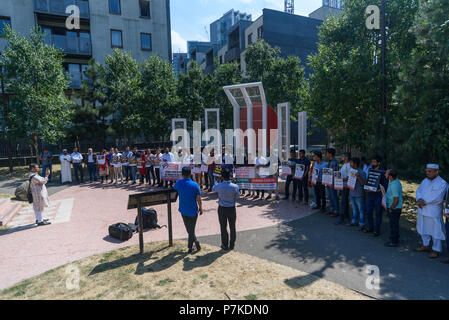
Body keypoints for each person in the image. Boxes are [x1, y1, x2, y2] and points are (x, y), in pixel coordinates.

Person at [414, 164, 448, 259]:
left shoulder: (442, 183)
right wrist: (419, 199)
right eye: (427, 171)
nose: (427, 173)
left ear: (436, 172)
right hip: (422, 209)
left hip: (433, 211)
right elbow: (418, 191)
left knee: (436, 231)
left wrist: (423, 201)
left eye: (430, 171)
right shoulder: (425, 181)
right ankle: (425, 245)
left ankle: (436, 249)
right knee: (422, 227)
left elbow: (438, 198)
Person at [174, 166, 203, 254]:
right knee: (191, 230)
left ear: (182, 174)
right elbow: (199, 198)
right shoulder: (195, 185)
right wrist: (201, 208)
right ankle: (195, 243)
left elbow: (175, 189)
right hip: (193, 210)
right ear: (191, 174)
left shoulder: (178, 183)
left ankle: (191, 246)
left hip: (183, 209)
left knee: (189, 229)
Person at [213, 168, 240, 251]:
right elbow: (237, 196)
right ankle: (232, 244)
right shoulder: (235, 186)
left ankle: (224, 244)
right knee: (232, 227)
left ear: (222, 176)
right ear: (230, 175)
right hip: (231, 208)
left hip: (222, 208)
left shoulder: (219, 186)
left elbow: (213, 188)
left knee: (223, 227)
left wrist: (218, 181)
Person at [363, 155, 388, 237]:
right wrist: (367, 188)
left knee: (378, 213)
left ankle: (376, 230)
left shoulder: (383, 172)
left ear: (379, 163)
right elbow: (368, 181)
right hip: (370, 194)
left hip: (378, 195)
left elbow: (385, 186)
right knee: (368, 212)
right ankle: (370, 227)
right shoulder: (370, 170)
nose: (372, 163)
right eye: (372, 161)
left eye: (374, 162)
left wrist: (377, 190)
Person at [384, 169, 403, 247]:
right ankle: (395, 239)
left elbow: (396, 200)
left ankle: (393, 241)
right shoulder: (392, 181)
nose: (385, 174)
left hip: (394, 208)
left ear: (390, 176)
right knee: (393, 224)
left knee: (393, 225)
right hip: (392, 207)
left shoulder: (394, 185)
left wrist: (391, 208)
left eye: (386, 174)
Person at [347, 157, 367, 229]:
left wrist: (359, 177)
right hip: (352, 193)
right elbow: (349, 179)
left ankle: (362, 223)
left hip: (359, 194)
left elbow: (364, 184)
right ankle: (354, 221)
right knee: (354, 208)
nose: (350, 164)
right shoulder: (351, 171)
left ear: (355, 164)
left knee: (361, 209)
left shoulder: (362, 172)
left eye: (351, 162)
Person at [336, 152, 351, 225]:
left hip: (346, 186)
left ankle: (343, 217)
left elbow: (349, 177)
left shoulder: (349, 166)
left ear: (346, 157)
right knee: (344, 202)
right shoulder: (344, 165)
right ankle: (345, 216)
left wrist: (340, 180)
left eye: (342, 156)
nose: (341, 157)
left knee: (343, 201)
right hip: (342, 185)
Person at [326, 148, 340, 217]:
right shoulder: (330, 161)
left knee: (334, 196)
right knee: (330, 196)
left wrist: (332, 182)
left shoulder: (334, 162)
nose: (326, 154)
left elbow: (335, 173)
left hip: (332, 182)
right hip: (329, 181)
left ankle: (336, 210)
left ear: (330, 154)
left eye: (327, 153)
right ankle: (332, 209)